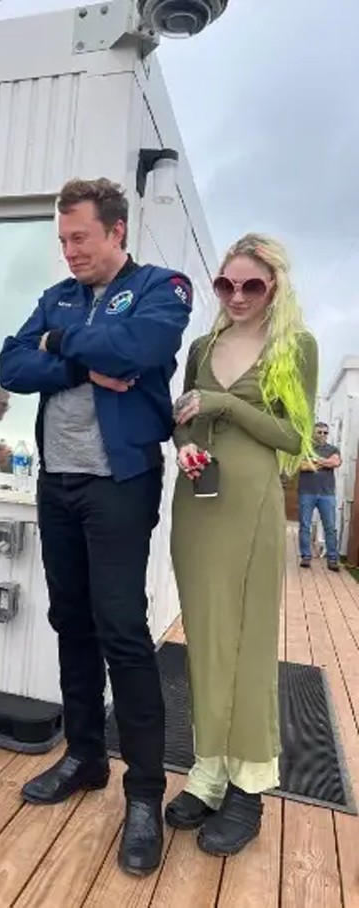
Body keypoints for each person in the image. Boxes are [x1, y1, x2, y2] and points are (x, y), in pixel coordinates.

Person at [0, 177, 193, 875]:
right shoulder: (56, 296)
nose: (70, 251)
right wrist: (79, 361)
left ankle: (144, 794)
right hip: (58, 482)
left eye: (80, 237)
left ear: (116, 231)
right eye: (62, 239)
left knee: (122, 630)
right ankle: (84, 757)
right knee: (71, 620)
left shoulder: (162, 287)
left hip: (120, 484)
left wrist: (61, 346)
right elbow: (11, 364)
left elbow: (134, 351)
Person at [168, 234, 318, 856]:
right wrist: (185, 446)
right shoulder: (202, 347)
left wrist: (227, 403)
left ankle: (249, 783)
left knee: (248, 643)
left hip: (252, 505)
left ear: (273, 285)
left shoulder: (295, 347)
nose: (236, 295)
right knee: (204, 637)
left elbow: (294, 437)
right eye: (225, 284)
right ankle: (207, 769)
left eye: (250, 285)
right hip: (198, 500)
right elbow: (183, 421)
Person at [298, 421, 341, 570]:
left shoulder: (333, 449)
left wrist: (315, 460)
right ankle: (306, 557)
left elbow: (335, 463)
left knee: (330, 527)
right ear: (313, 433)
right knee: (305, 526)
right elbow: (303, 466)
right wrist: (325, 462)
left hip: (327, 494)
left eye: (325, 432)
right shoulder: (305, 448)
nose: (323, 435)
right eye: (319, 432)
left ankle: (332, 559)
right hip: (306, 493)